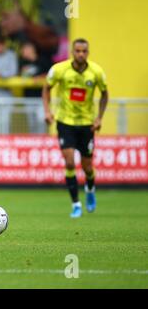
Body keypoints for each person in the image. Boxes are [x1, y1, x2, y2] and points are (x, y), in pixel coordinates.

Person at [42, 38, 108, 218]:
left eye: (83, 51)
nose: (80, 54)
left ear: (88, 52)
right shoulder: (59, 70)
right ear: (72, 51)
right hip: (65, 122)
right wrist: (48, 111)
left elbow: (104, 94)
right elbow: (46, 88)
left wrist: (99, 118)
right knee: (70, 162)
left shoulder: (96, 72)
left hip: (86, 123)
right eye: (77, 51)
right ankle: (76, 204)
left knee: (87, 167)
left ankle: (90, 189)